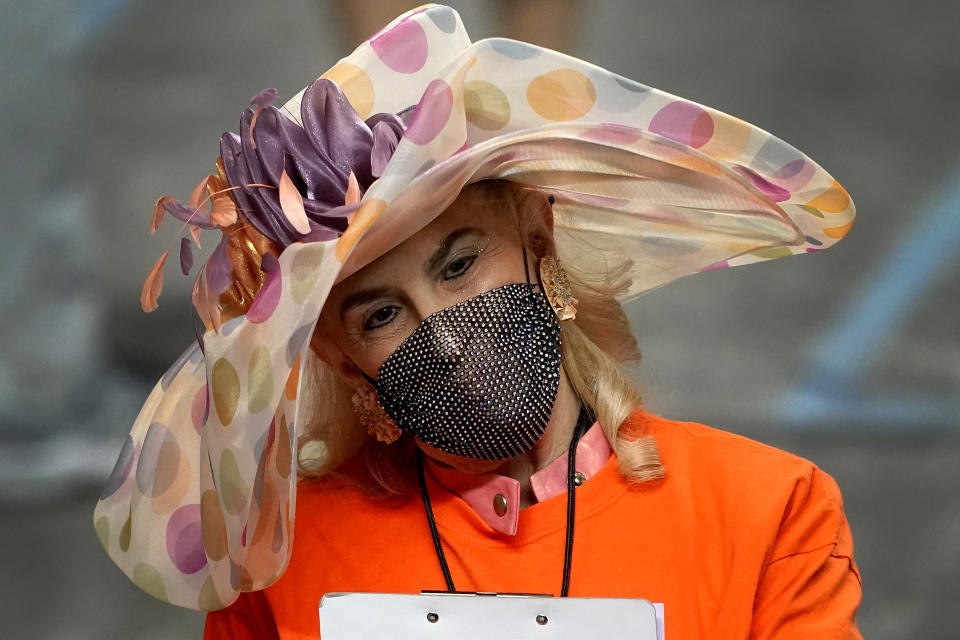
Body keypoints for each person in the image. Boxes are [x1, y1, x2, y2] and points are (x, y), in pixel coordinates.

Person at [94, 5, 862, 638]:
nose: (450, 338)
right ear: (338, 352)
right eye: (384, 313)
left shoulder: (768, 513)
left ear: (537, 236)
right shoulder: (278, 563)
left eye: (459, 265)